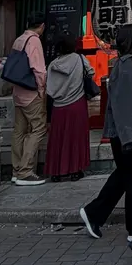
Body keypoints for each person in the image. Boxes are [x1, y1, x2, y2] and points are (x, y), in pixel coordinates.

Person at [79, 24, 132, 260]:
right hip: (127, 133)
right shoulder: (127, 68)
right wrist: (129, 138)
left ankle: (98, 215)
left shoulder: (126, 66)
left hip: (125, 132)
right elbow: (124, 106)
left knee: (126, 178)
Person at [44, 34, 98, 180]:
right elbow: (91, 72)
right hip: (77, 103)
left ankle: (56, 171)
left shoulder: (52, 65)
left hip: (58, 105)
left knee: (58, 139)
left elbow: (48, 88)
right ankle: (75, 169)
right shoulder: (79, 59)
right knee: (76, 138)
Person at [9, 18, 48, 185]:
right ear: (42, 26)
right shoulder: (34, 41)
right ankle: (26, 171)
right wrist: (42, 90)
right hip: (31, 93)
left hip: (18, 91)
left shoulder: (19, 39)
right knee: (38, 128)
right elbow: (38, 69)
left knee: (19, 131)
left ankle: (16, 169)